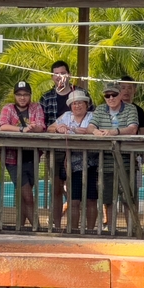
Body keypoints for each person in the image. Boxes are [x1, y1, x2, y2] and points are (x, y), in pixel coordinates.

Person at [40, 61, 91, 216]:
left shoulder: (82, 93)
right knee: (56, 187)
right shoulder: (46, 97)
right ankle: (55, 225)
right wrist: (57, 128)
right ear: (52, 76)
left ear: (69, 74)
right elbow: (44, 124)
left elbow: (93, 120)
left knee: (75, 189)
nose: (60, 76)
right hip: (55, 148)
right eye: (56, 74)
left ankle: (74, 225)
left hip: (80, 150)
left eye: (63, 73)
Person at [89, 81, 140, 231]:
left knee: (128, 199)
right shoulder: (99, 109)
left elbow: (133, 128)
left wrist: (113, 132)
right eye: (107, 95)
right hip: (105, 162)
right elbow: (91, 126)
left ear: (120, 95)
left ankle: (132, 230)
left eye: (114, 95)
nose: (110, 98)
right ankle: (111, 230)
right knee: (108, 199)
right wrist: (96, 132)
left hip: (126, 162)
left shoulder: (131, 109)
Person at [0, 80, 46, 228]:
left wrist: (33, 128)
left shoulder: (36, 107)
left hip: (32, 157)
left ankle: (20, 227)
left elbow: (41, 126)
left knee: (24, 196)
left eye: (25, 94)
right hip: (12, 158)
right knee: (27, 196)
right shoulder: (8, 108)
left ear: (30, 96)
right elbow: (2, 126)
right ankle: (37, 229)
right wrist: (21, 129)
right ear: (15, 96)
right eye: (19, 95)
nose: (22, 98)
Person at [47, 90, 96, 231]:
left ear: (86, 104)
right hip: (72, 165)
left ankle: (91, 231)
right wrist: (58, 128)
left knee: (91, 200)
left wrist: (88, 131)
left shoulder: (93, 116)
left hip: (92, 163)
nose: (77, 106)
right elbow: (50, 128)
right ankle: (73, 231)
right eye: (74, 103)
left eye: (80, 103)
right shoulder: (66, 116)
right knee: (73, 200)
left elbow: (99, 130)